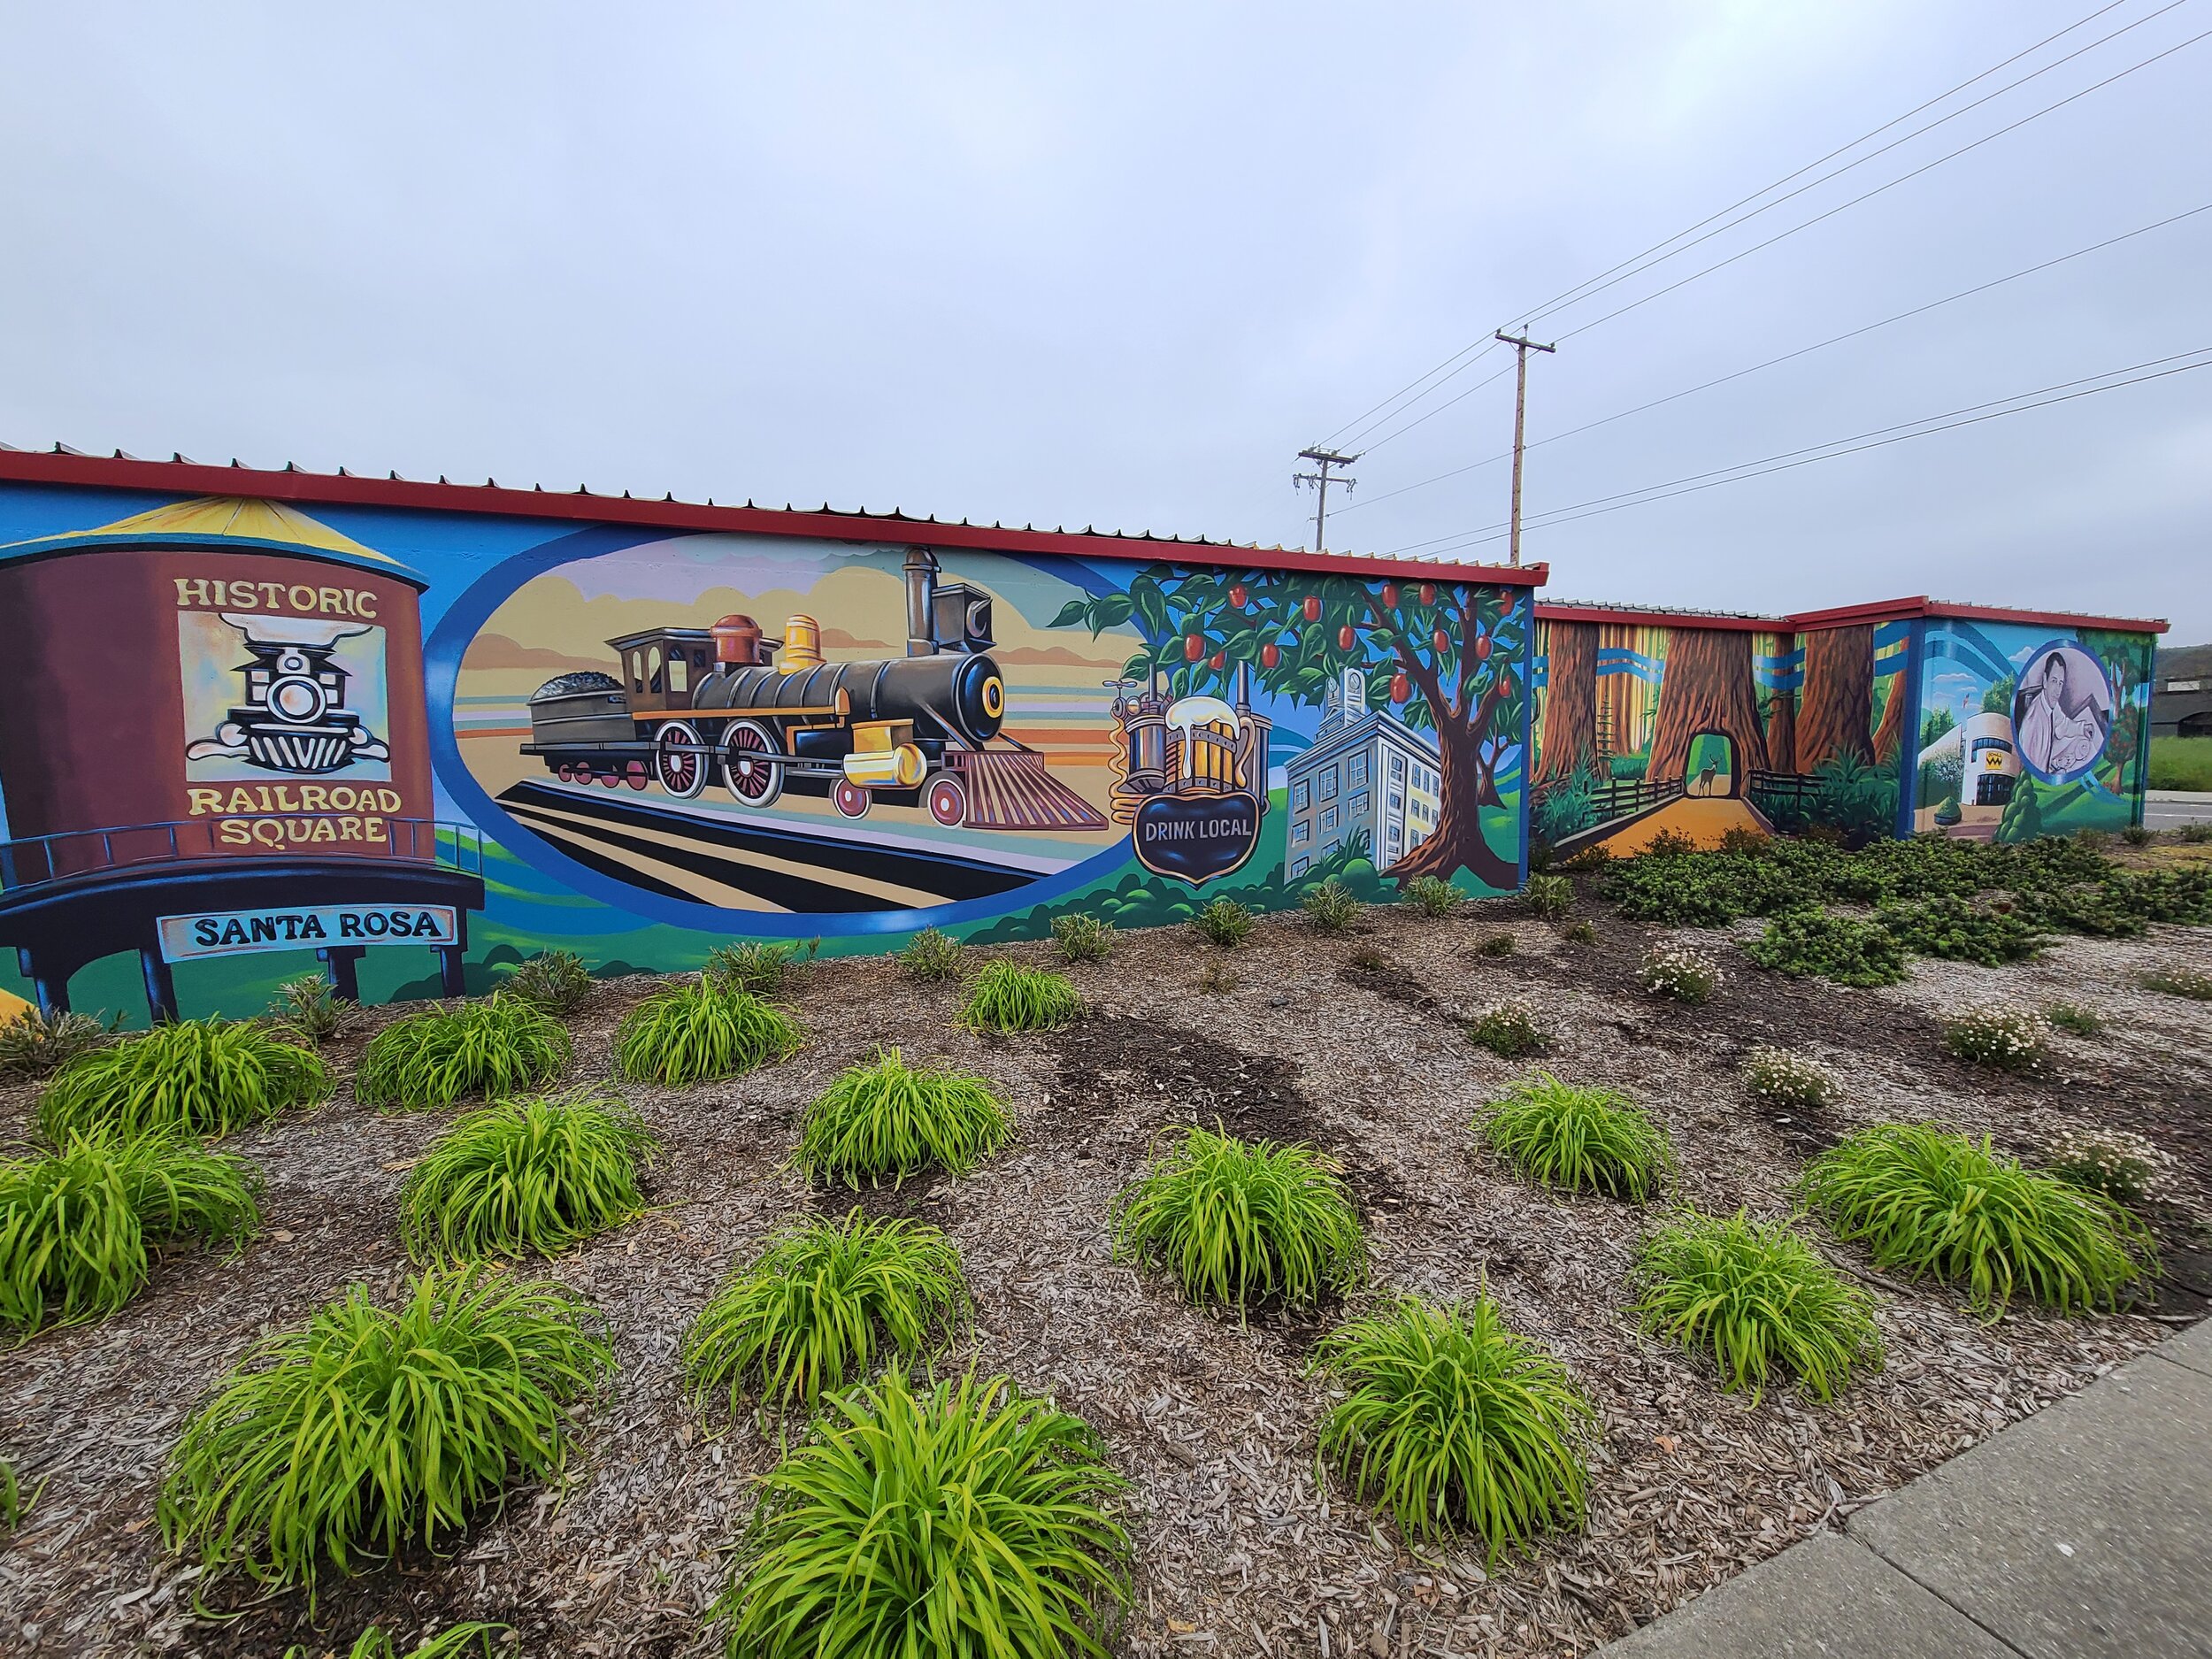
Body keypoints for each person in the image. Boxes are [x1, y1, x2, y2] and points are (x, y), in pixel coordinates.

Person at [2016, 652, 2105, 775]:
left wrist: (2082, 728)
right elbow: (2032, 773)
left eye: (2060, 683)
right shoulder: (2032, 724)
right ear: (2045, 681)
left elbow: (2063, 725)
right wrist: (2056, 773)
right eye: (2054, 681)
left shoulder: (2050, 703)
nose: (2057, 690)